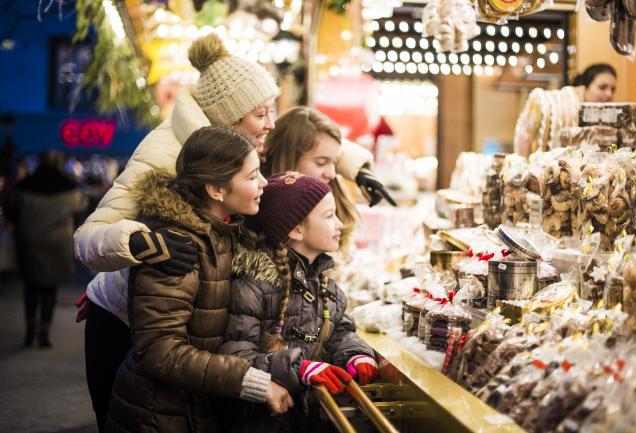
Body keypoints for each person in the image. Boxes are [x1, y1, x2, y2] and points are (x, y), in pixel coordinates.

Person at [74, 33, 384, 431]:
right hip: (122, 316)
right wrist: (137, 246)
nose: (270, 123)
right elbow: (90, 237)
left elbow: (300, 128)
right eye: (261, 114)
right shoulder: (166, 154)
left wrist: (357, 165)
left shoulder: (242, 151)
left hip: (187, 329)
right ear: (229, 118)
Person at [105, 125, 295, 433]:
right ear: (216, 190)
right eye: (251, 177)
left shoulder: (224, 230)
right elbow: (159, 351)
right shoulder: (177, 246)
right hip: (157, 415)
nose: (263, 183)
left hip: (191, 407)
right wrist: (254, 382)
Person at [218, 171, 377, 432]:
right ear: (296, 229)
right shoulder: (255, 285)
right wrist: (299, 368)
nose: (340, 224)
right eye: (329, 216)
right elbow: (236, 356)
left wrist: (355, 354)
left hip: (307, 418)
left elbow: (340, 330)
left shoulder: (327, 287)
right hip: (261, 421)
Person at [263, 107, 395, 251]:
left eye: (334, 162)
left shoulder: (333, 191)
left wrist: (358, 166)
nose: (332, 174)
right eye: (321, 162)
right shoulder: (258, 205)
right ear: (289, 158)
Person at [2, 150, 85, 347]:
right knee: (50, 288)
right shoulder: (70, 187)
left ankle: (30, 329)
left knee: (31, 286)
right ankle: (44, 332)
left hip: (29, 240)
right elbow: (79, 213)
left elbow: (11, 208)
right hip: (58, 243)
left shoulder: (24, 186)